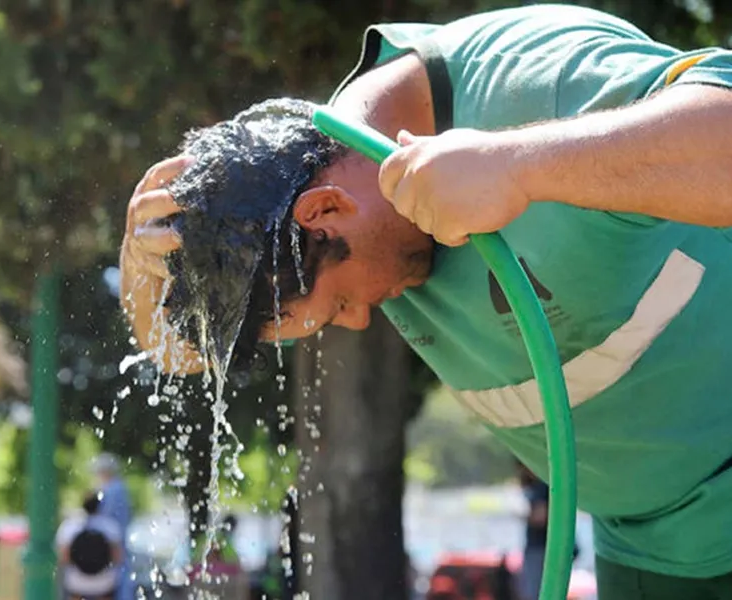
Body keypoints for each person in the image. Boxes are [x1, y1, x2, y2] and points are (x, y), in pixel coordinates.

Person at [119, 4, 732, 599]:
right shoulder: (334, 215)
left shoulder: (525, 75)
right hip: (654, 553)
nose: (362, 320)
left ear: (327, 210)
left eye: (336, 309)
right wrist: (140, 264)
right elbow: (178, 357)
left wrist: (522, 166)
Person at [56, 493, 123, 600]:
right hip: (105, 584)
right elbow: (118, 558)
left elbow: (63, 558)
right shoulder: (110, 526)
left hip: (76, 583)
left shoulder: (69, 526)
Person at [92, 453, 134, 600]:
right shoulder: (119, 488)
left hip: (113, 542)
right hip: (118, 541)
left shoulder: (111, 490)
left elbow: (105, 517)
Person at [516, 463, 549, 600]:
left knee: (534, 592)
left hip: (540, 548)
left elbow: (540, 517)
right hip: (539, 547)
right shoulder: (540, 485)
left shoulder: (542, 486)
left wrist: (519, 516)